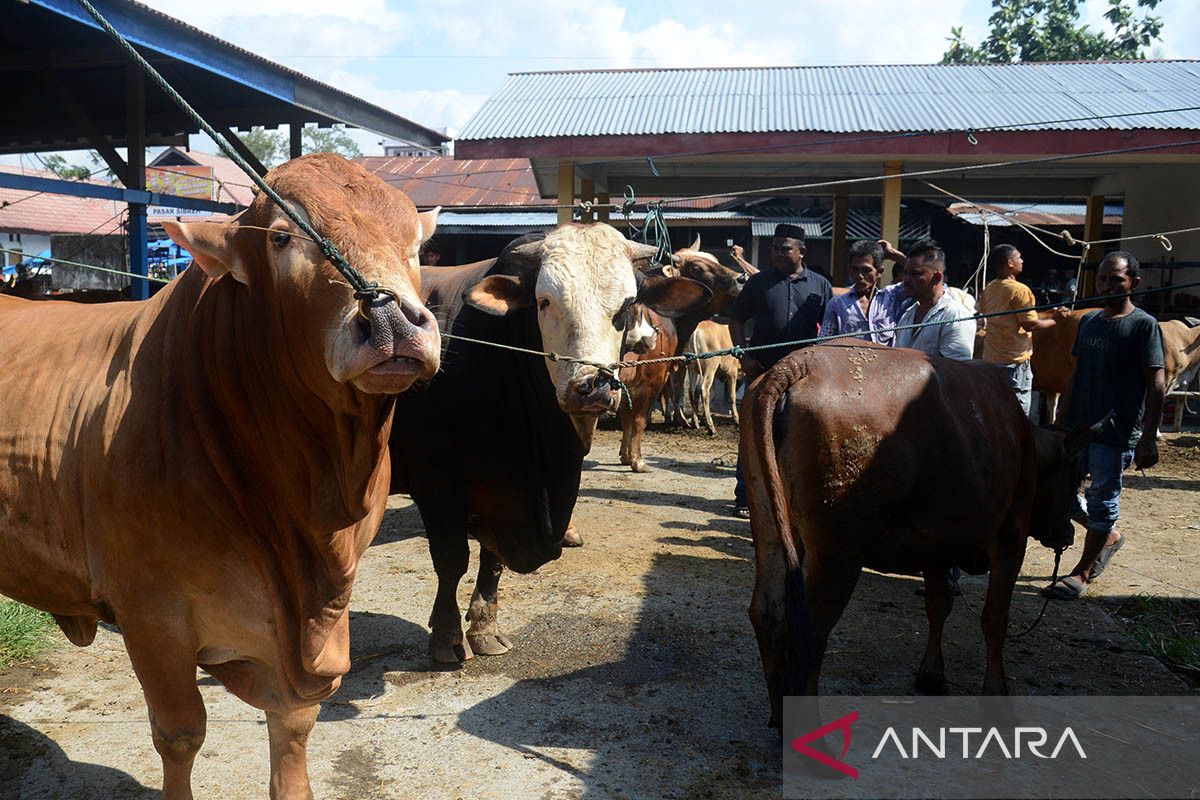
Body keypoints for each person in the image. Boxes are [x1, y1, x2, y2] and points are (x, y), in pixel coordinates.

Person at [1042, 251, 1165, 600]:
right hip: (1076, 430)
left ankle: (1081, 573)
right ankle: (1109, 537)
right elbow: (1075, 374)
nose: (1107, 285)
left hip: (1115, 433)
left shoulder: (1143, 325)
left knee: (1101, 501)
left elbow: (1156, 383)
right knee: (1060, 493)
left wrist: (1148, 440)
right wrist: (1059, 422)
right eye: (1102, 278)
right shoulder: (1090, 322)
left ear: (1133, 283)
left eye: (1116, 279)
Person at [727, 223, 833, 517]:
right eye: (774, 248)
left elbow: (829, 327)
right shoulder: (759, 282)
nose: (777, 254)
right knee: (754, 433)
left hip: (804, 378)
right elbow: (735, 319)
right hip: (761, 370)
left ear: (802, 251)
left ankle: (789, 497)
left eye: (784, 248)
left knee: (797, 434)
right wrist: (743, 356)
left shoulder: (820, 285)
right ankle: (745, 498)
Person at [978, 245, 1058, 415]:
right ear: (1010, 263)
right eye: (1019, 257)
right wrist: (1054, 320)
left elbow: (984, 312)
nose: (1022, 261)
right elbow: (1030, 324)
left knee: (994, 409)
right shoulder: (1020, 290)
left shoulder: (990, 287)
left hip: (991, 360)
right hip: (1013, 361)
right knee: (1016, 412)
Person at [894, 240, 976, 361]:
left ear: (937, 277)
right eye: (905, 273)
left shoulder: (955, 316)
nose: (906, 280)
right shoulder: (907, 315)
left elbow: (957, 371)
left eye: (915, 274)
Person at [820, 239, 911, 346]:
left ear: (879, 272)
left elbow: (919, 276)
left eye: (866, 270)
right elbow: (823, 343)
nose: (860, 276)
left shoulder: (892, 297)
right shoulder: (837, 304)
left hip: (886, 362)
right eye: (855, 269)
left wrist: (893, 254)